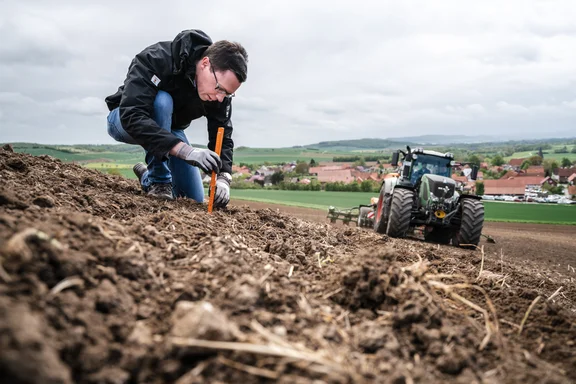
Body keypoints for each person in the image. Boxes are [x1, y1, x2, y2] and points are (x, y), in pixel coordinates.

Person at [105, 29, 248, 208]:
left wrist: (223, 177)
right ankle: (159, 181)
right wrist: (185, 151)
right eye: (219, 88)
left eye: (228, 94)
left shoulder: (219, 96)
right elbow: (132, 115)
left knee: (192, 198)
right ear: (205, 64)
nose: (221, 97)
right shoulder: (157, 59)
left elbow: (222, 135)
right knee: (162, 101)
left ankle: (146, 177)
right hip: (124, 119)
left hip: (171, 131)